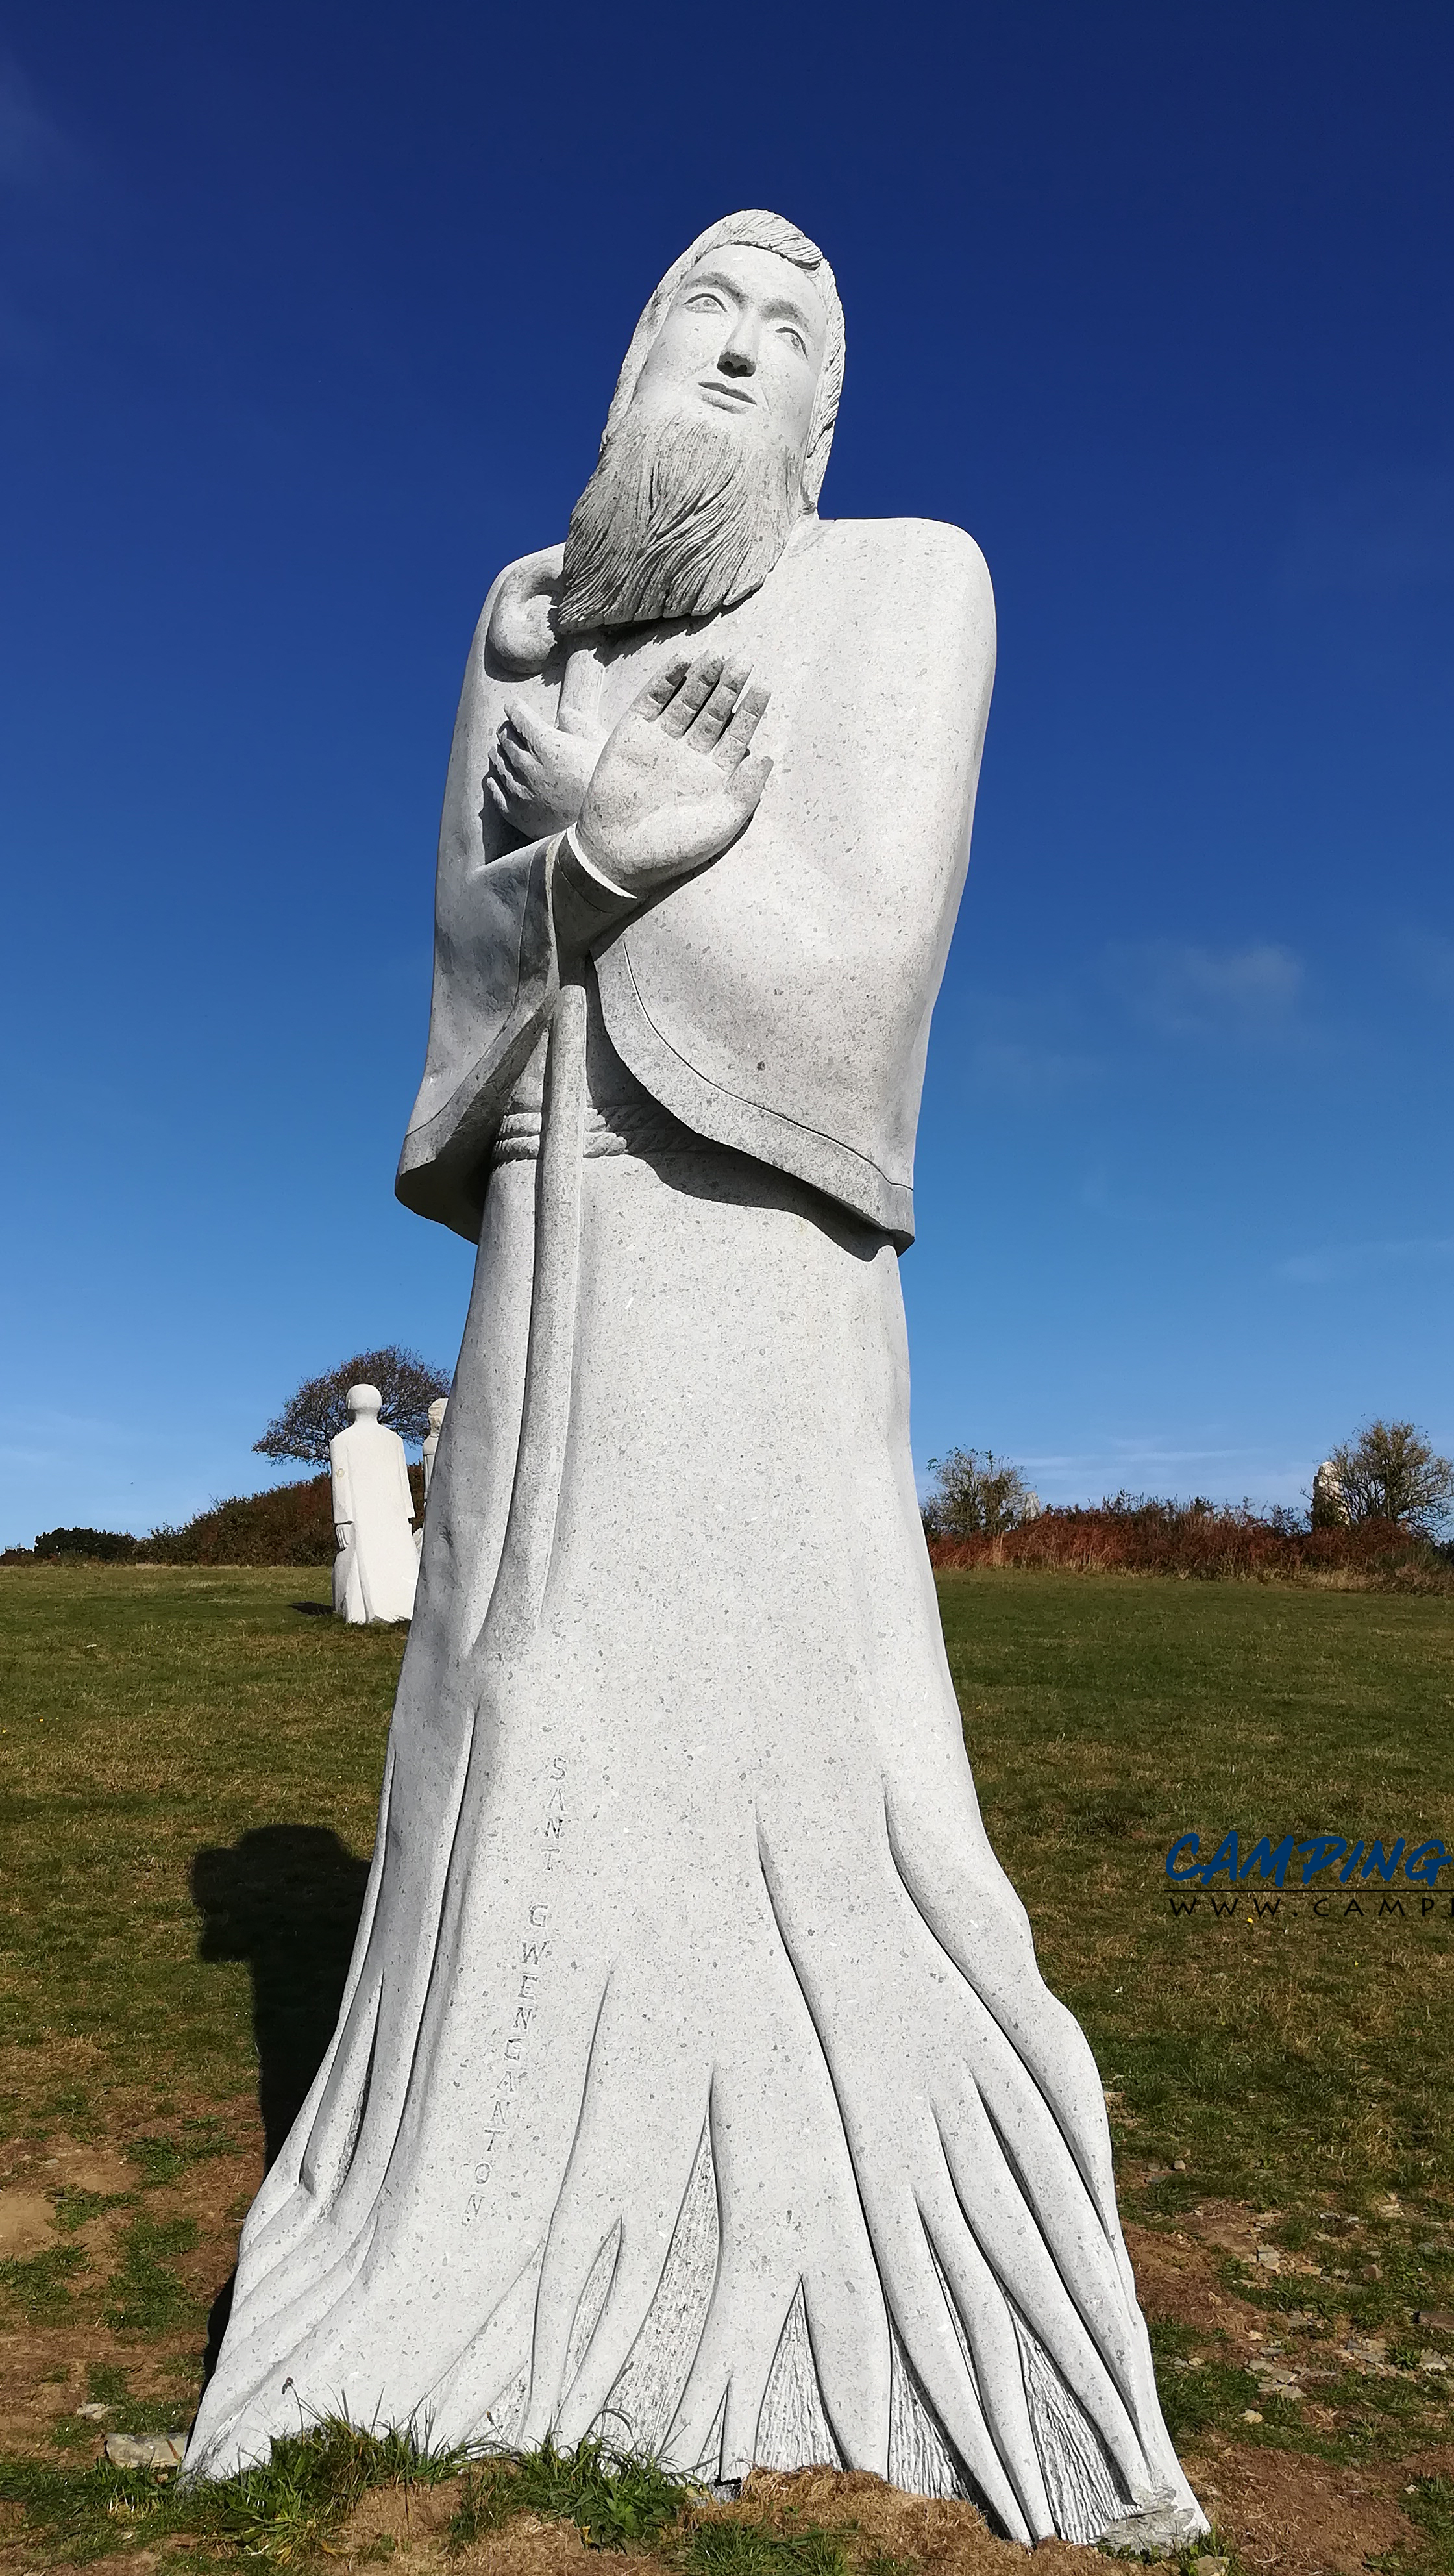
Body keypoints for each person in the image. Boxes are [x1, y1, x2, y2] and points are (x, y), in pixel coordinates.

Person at [186, 212, 1202, 2554]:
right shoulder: (525, 609)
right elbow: (467, 929)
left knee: (783, 1704)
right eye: (695, 321)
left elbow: (878, 925)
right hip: (563, 1215)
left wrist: (652, 862)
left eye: (783, 339)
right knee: (520, 1681)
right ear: (631, 363)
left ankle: (858, 2213)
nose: (734, 354)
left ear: (830, 419)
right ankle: (487, 2206)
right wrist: (578, 854)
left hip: (748, 1227)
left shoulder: (907, 582)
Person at [328, 1384, 418, 1625]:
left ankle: (375, 1611)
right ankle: (400, 1608)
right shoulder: (394, 1440)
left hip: (368, 1515)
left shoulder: (342, 1441)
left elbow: (341, 1481)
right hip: (391, 1516)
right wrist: (408, 1516)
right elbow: (403, 1480)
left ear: (350, 1406)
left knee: (369, 1559)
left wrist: (342, 1519)